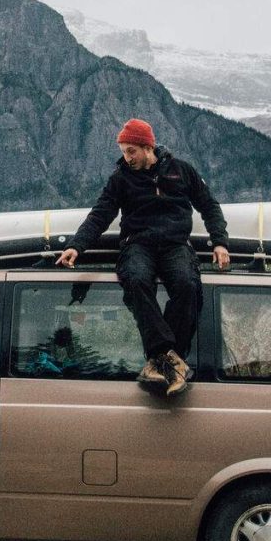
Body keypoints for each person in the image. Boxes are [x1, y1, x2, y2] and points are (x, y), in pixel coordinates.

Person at [54, 118, 230, 396]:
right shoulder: (121, 178)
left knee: (187, 285)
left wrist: (219, 242)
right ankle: (168, 359)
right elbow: (100, 214)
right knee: (135, 280)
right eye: (124, 151)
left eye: (131, 151)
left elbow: (209, 205)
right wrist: (77, 246)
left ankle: (165, 360)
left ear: (148, 147)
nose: (127, 157)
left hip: (175, 245)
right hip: (137, 244)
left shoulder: (181, 171)